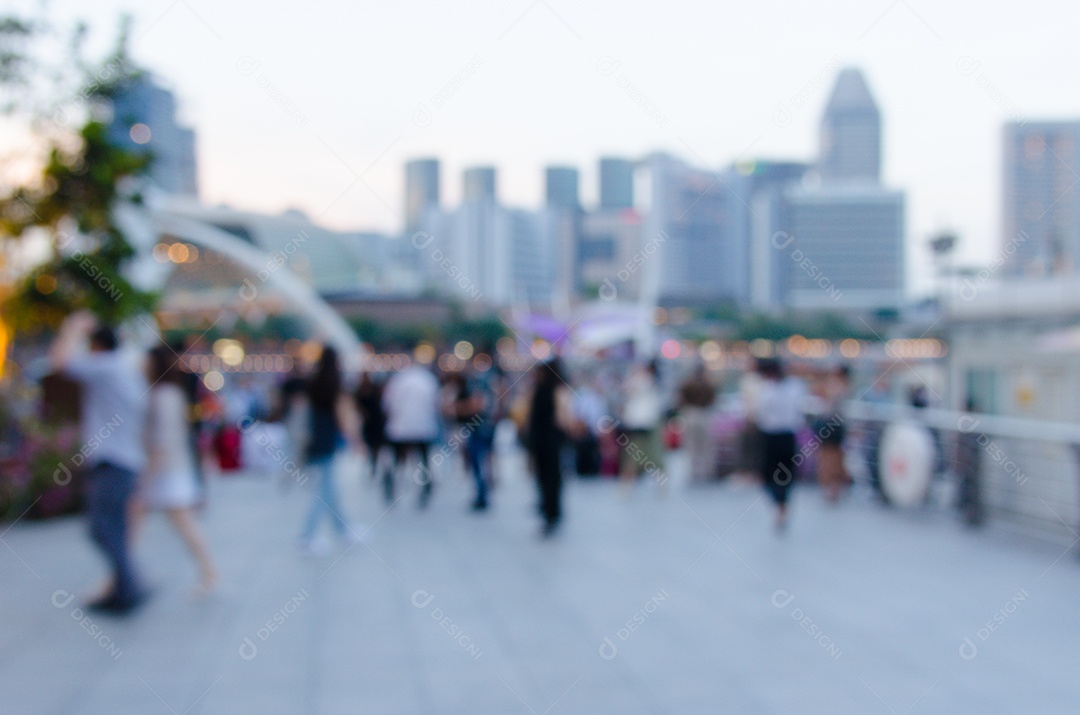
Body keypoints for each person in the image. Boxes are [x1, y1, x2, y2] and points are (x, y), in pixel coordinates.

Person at [49, 311, 149, 615]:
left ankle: (128, 586)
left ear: (97, 347)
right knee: (112, 527)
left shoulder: (105, 367)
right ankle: (124, 586)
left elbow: (60, 362)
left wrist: (73, 328)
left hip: (112, 462)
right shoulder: (125, 369)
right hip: (126, 461)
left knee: (101, 527)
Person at [132, 346, 217, 596]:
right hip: (168, 470)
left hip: (167, 472)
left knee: (179, 523)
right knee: (143, 522)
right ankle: (123, 574)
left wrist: (146, 476)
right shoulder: (166, 393)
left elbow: (162, 441)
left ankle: (209, 572)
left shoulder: (163, 395)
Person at [298, 345, 362, 554]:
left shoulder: (314, 383)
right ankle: (308, 537)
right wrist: (355, 440)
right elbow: (343, 416)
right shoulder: (334, 384)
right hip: (329, 442)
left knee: (330, 489)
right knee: (325, 491)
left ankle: (343, 529)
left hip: (316, 440)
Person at [756, 357, 806, 532]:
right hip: (783, 435)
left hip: (776, 435)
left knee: (774, 473)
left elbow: (762, 413)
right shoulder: (795, 386)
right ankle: (781, 506)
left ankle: (781, 506)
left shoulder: (771, 388)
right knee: (780, 474)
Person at [382, 359, 440, 508]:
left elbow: (387, 404)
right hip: (423, 427)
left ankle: (392, 488)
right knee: (424, 462)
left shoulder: (397, 380)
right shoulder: (429, 380)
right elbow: (436, 403)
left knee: (397, 461)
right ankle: (425, 490)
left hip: (400, 427)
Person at [527, 358, 575, 537]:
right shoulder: (559, 390)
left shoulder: (539, 389)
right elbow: (563, 419)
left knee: (544, 477)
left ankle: (548, 510)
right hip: (551, 441)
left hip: (540, 440)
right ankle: (552, 511)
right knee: (552, 477)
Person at [449, 369, 495, 511]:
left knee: (478, 462)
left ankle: (482, 496)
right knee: (478, 462)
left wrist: (459, 408)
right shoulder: (482, 387)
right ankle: (481, 494)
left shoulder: (478, 388)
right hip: (478, 429)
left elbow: (476, 406)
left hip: (479, 430)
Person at [619, 360, 665, 492]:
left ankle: (627, 484)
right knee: (644, 453)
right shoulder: (648, 381)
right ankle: (658, 483)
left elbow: (627, 389)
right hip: (643, 423)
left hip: (642, 423)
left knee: (636, 453)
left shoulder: (643, 380)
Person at [814, 364, 850, 503]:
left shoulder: (835, 386)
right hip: (834, 426)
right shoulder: (840, 386)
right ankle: (832, 489)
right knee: (831, 458)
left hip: (831, 425)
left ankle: (830, 489)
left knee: (830, 458)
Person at [677, 363, 718, 483]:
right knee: (706, 446)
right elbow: (713, 399)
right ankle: (707, 472)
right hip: (703, 414)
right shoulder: (708, 384)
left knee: (692, 445)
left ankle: (693, 472)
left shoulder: (687, 384)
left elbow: (680, 399)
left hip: (691, 414)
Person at [354, 372, 389, 484]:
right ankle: (374, 468)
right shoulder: (359, 391)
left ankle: (382, 470)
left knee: (379, 447)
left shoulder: (374, 389)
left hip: (376, 423)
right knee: (372, 447)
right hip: (369, 424)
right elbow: (358, 406)